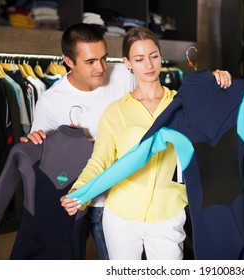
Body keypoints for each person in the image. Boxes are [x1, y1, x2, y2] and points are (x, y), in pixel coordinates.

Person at [60, 26, 232, 260]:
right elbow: (99, 162)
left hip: (168, 213)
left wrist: (217, 83)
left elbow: (216, 129)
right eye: (139, 59)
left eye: (153, 56)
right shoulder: (116, 112)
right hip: (121, 216)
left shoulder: (183, 104)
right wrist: (78, 192)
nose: (149, 65)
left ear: (161, 55)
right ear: (127, 63)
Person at [20, 23, 137, 260]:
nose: (101, 68)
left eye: (104, 58)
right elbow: (41, 152)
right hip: (74, 200)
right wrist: (33, 141)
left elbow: (160, 95)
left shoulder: (125, 76)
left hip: (116, 200)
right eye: (91, 61)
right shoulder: (51, 101)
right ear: (69, 62)